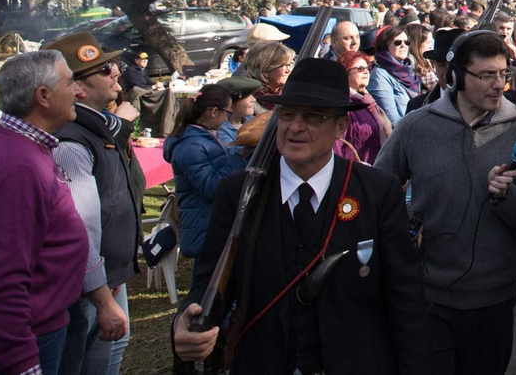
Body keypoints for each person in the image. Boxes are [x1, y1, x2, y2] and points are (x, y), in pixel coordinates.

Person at [171, 58, 430, 374]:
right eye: (288, 114)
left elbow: (404, 295)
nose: (295, 126)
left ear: (340, 127)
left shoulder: (377, 191)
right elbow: (209, 282)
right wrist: (185, 319)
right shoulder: (238, 192)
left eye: (313, 116)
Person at [377, 32, 516, 374]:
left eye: (503, 74)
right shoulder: (415, 127)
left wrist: (507, 196)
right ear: (455, 77)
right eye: (486, 75)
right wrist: (404, 226)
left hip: (495, 300)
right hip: (429, 298)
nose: (499, 85)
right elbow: (379, 191)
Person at [0, 51, 95, 375]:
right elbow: (1, 283)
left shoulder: (18, 147)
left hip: (34, 328)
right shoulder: (15, 166)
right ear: (43, 96)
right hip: (21, 340)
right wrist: (22, 365)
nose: (79, 91)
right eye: (70, 82)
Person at [45, 31, 143, 375]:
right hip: (88, 287)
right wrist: (100, 294)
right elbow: (80, 224)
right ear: (78, 89)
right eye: (103, 69)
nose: (115, 72)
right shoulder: (71, 141)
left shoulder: (99, 128)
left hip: (107, 277)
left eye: (111, 64)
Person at [163, 86, 244, 273]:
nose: (227, 118)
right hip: (203, 229)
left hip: (209, 227)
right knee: (204, 290)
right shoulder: (191, 146)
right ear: (214, 112)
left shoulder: (202, 138)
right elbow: (212, 187)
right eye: (228, 112)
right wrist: (240, 157)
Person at [336, 50, 390, 162]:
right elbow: (336, 146)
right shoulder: (343, 105)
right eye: (360, 69)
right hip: (351, 173)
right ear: (345, 73)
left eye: (367, 68)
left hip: (373, 170)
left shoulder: (369, 102)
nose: (365, 72)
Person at [367, 22, 422, 125]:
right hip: (402, 133)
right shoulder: (379, 75)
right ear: (385, 45)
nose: (403, 46)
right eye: (397, 42)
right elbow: (392, 120)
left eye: (407, 42)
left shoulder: (409, 69)